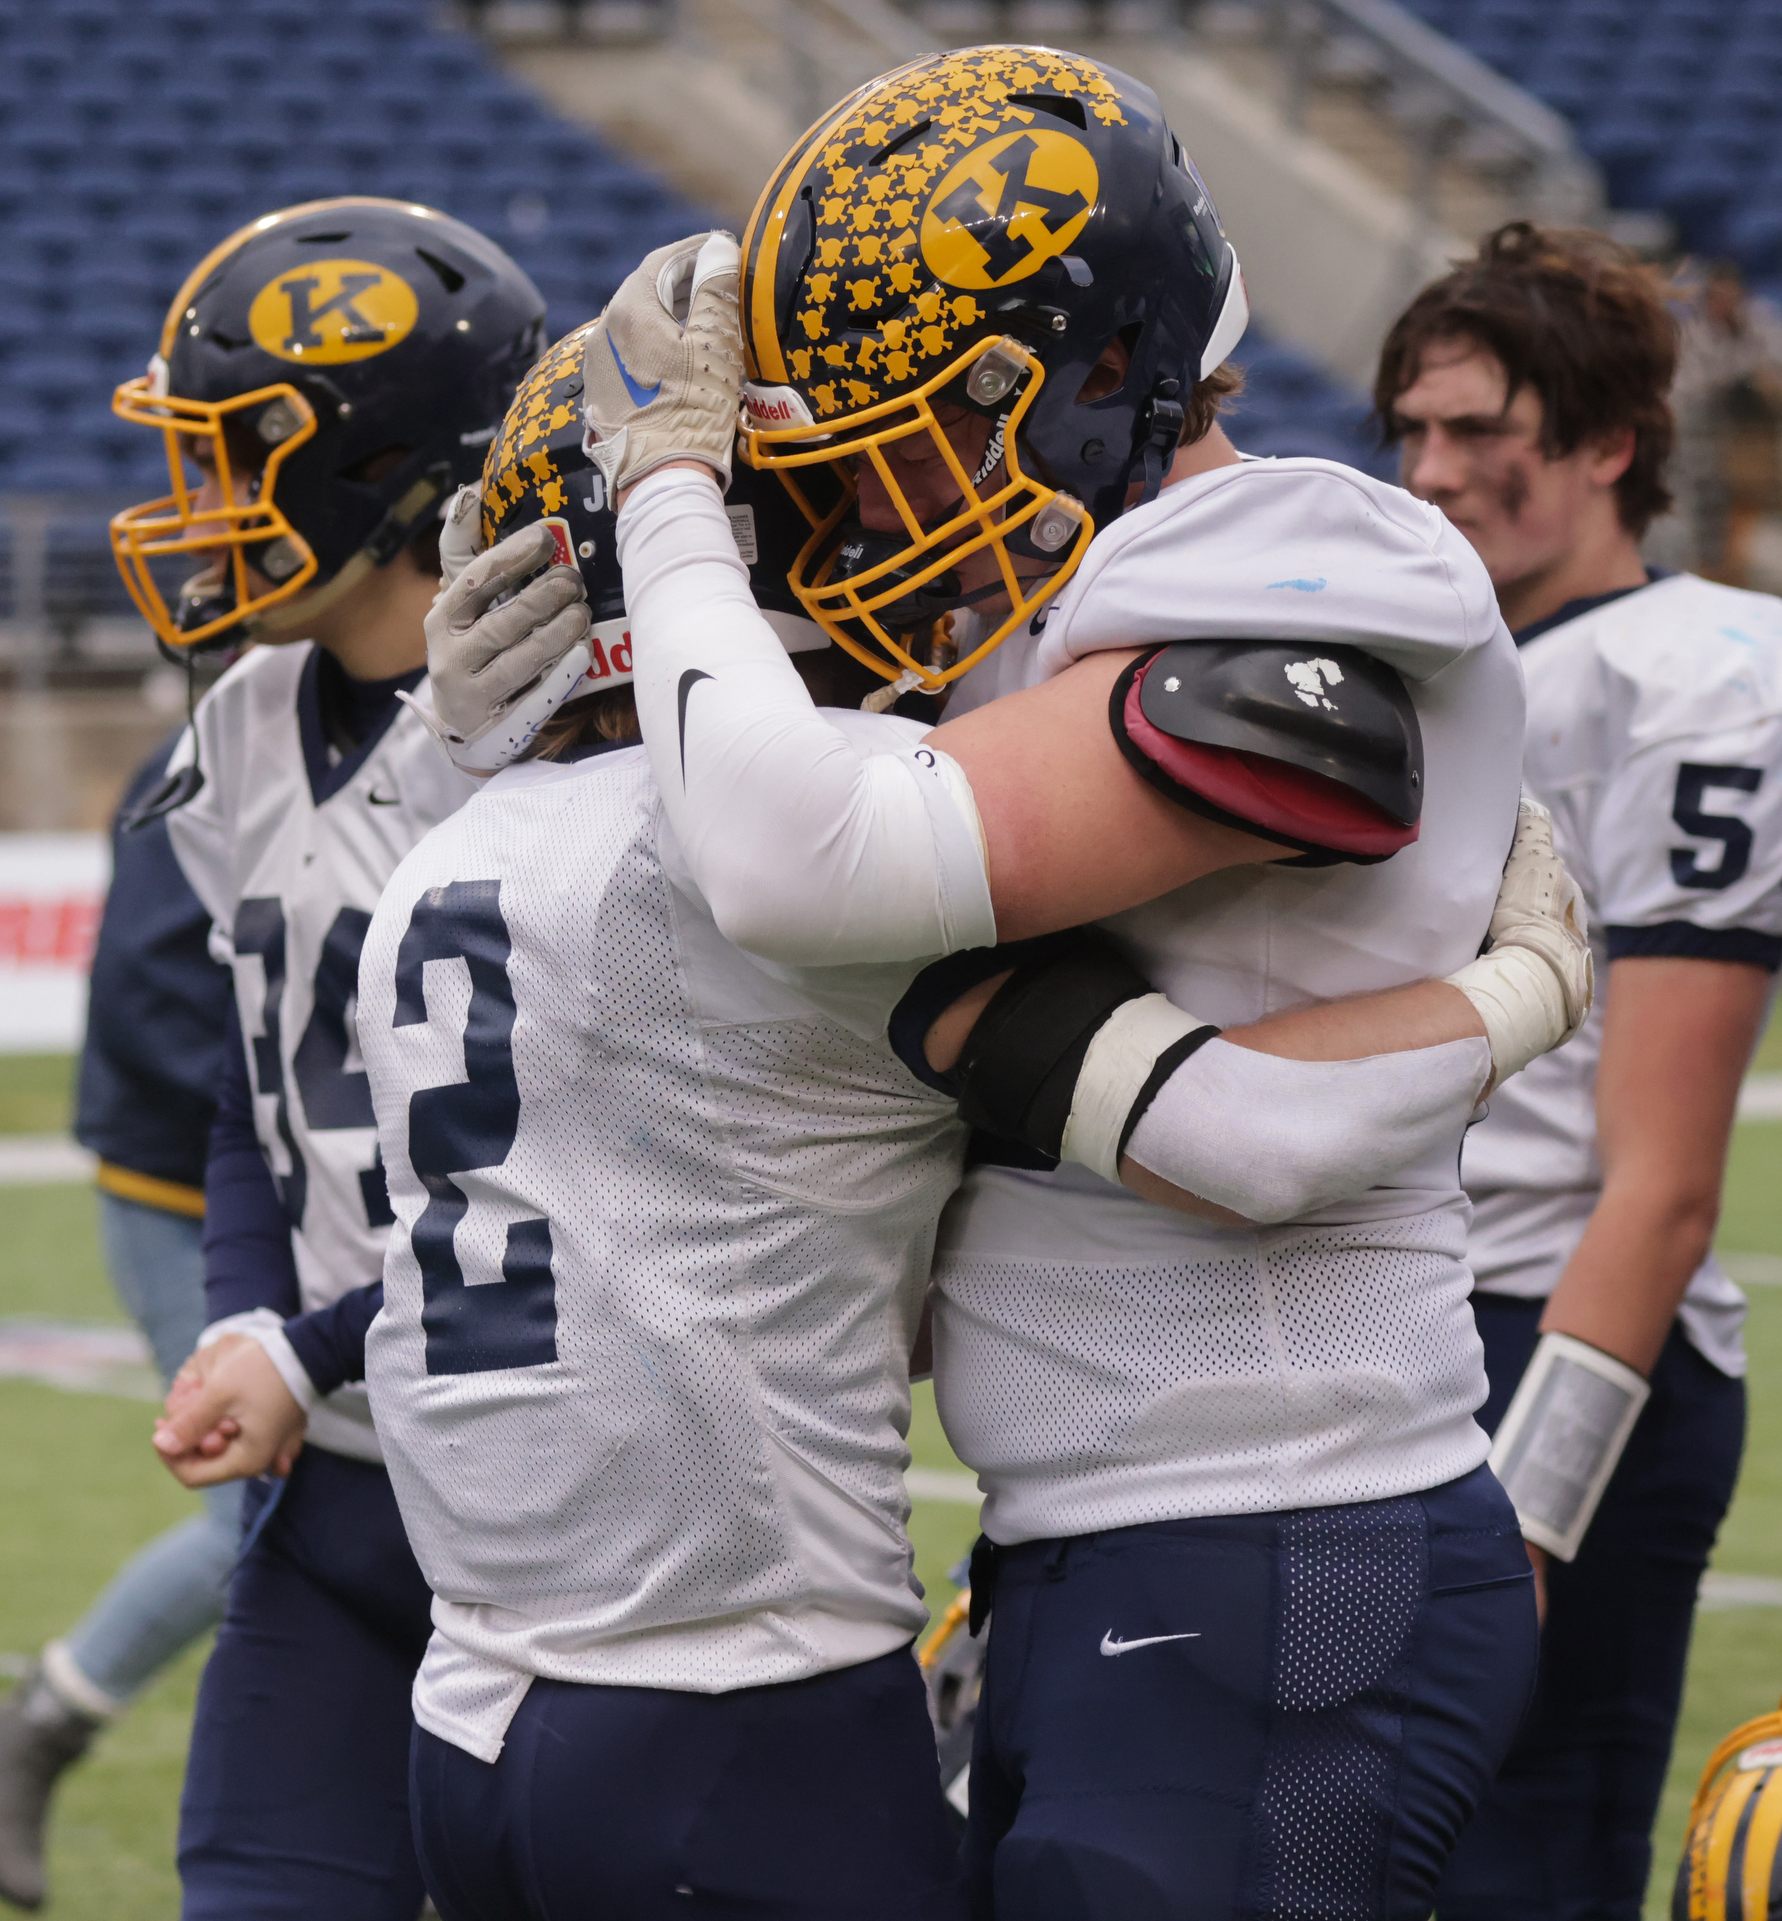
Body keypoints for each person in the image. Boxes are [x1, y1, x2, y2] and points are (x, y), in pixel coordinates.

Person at [153, 222, 1587, 1917]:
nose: (882, 524)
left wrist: (469, 740)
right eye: (828, 494)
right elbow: (1245, 1129)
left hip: (482, 1694)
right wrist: (1527, 989)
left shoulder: (441, 860)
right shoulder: (785, 866)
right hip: (747, 1697)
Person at [104, 194, 548, 1920]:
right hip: (339, 1508)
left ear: (383, 477)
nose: (197, 513)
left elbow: (565, 1175)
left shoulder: (563, 741)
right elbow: (252, 1087)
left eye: (234, 463)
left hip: (555, 1496)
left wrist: (303, 1348)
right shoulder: (245, 721)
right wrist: (243, 1320)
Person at [1377, 221, 1782, 1921]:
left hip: (1561, 1336)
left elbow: (1664, 1180)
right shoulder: (1434, 668)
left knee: (1518, 1870)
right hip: (1401, 1327)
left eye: (1481, 432)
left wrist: (1525, 1514)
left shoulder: (1693, 677)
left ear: (1608, 445)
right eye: (1410, 430)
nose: (1432, 470)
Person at [0, 733, 234, 1912]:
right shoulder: (215, 746)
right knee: (267, 1511)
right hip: (188, 1193)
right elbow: (151, 994)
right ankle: (40, 1725)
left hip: (319, 1202)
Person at [1670, 259, 1782, 588]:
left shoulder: (1761, 321)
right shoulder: (1694, 331)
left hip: (1755, 431)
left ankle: (1735, 564)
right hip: (1703, 431)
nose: (1723, 304)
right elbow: (1688, 390)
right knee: (1702, 501)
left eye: (1729, 296)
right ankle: (1708, 568)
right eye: (1716, 297)